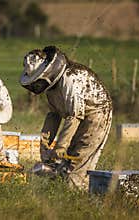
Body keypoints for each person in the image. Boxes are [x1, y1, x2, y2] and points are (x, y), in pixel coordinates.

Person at [20, 46, 112, 190]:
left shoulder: (69, 78)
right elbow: (53, 115)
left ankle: (81, 200)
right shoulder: (51, 88)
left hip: (96, 115)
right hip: (79, 116)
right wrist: (45, 145)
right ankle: (70, 195)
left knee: (77, 167)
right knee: (63, 167)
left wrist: (61, 146)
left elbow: (74, 115)